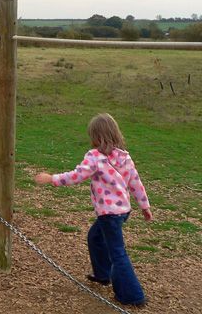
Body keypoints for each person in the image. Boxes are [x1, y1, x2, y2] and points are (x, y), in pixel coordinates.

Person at [34, 113, 151, 307]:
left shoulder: (95, 157)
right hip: (123, 211)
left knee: (117, 253)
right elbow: (136, 183)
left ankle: (133, 296)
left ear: (96, 136)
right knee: (95, 237)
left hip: (109, 214)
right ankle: (103, 274)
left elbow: (76, 176)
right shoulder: (124, 157)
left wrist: (51, 178)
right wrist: (144, 206)